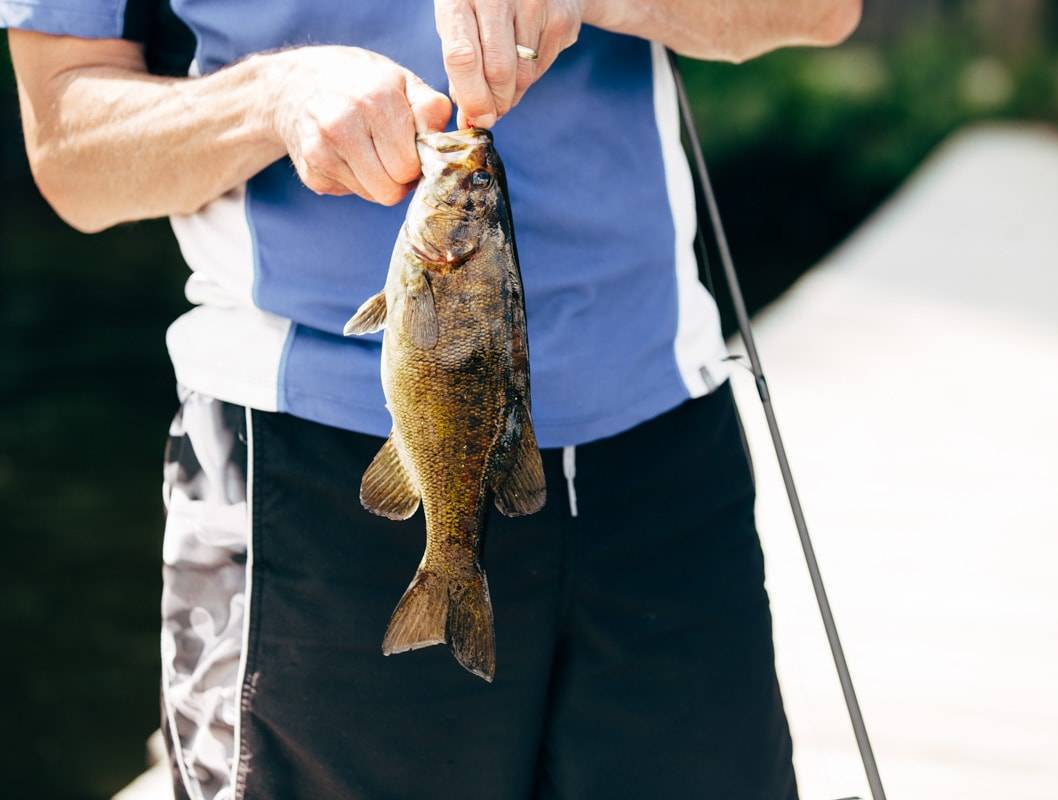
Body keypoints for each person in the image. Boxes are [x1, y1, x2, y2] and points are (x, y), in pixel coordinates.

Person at [4, 0, 860, 797]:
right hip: (306, 468)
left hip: (663, 440)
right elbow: (69, 149)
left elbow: (825, 11)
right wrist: (274, 95)